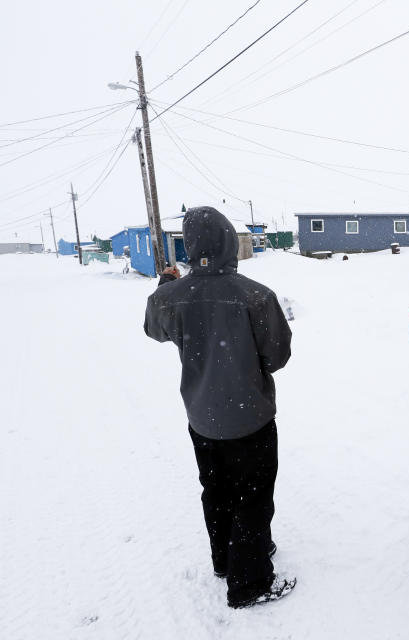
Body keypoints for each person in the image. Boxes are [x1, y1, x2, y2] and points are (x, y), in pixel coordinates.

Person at [144, 206, 296, 609]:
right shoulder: (255, 296)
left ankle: (225, 560)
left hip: (202, 419)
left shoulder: (170, 298)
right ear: (230, 241)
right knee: (253, 496)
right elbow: (278, 356)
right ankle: (250, 583)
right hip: (251, 418)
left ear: (191, 247)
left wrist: (165, 286)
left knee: (216, 489)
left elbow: (152, 326)